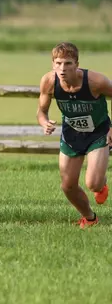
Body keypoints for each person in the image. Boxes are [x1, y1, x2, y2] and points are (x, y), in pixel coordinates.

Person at [37, 42, 111, 228]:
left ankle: (101, 184)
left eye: (68, 63)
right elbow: (41, 111)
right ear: (53, 64)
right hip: (71, 135)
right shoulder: (49, 82)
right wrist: (44, 122)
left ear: (77, 64)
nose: (62, 69)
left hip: (97, 133)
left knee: (93, 184)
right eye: (58, 63)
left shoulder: (96, 82)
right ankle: (90, 218)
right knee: (67, 186)